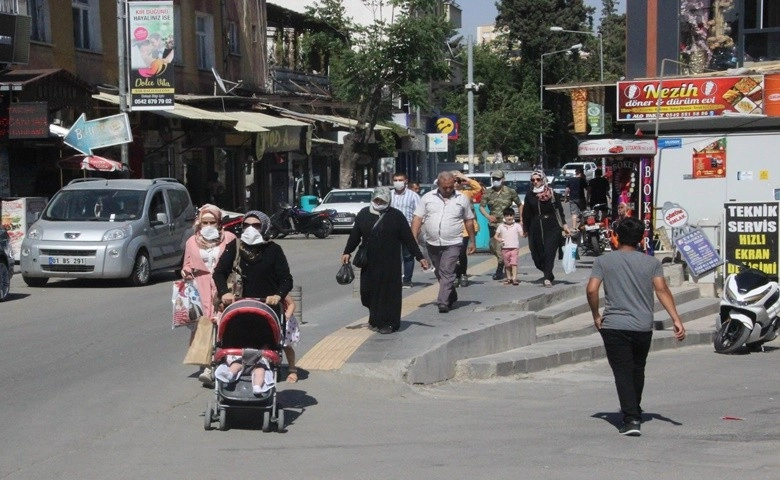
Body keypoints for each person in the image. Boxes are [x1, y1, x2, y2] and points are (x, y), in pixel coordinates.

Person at [586, 217, 686, 436]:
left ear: (617, 237)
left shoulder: (604, 262)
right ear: (641, 239)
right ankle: (634, 408)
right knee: (637, 369)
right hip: (642, 325)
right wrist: (676, 318)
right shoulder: (651, 263)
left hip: (613, 324)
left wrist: (596, 314)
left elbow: (592, 290)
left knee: (622, 371)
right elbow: (661, 290)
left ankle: (631, 419)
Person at [342, 188, 428, 334]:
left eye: (382, 201)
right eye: (376, 200)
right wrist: (347, 251)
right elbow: (355, 234)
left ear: (388, 201)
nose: (379, 203)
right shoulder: (364, 214)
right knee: (367, 293)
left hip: (390, 263)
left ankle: (389, 323)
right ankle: (375, 319)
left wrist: (420, 257)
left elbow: (408, 239)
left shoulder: (396, 216)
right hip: (369, 262)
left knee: (388, 294)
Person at [181, 204, 236, 385]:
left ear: (219, 223)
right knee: (205, 323)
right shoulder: (192, 242)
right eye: (205, 222)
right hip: (201, 286)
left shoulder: (228, 238)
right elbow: (187, 264)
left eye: (212, 222)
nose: (209, 226)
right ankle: (207, 365)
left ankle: (223, 362)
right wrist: (186, 271)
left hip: (223, 285)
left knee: (222, 321)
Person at [412, 171, 476, 313]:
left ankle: (443, 302)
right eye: (445, 187)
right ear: (438, 185)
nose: (448, 190)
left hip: (453, 242)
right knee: (439, 272)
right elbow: (417, 218)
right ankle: (450, 294)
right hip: (432, 243)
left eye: (450, 187)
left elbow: (469, 220)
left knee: (447, 271)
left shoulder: (462, 199)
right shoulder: (428, 198)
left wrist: (472, 240)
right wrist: (413, 237)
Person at [213, 210, 293, 320]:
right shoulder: (234, 247)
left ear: (264, 227)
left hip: (268, 310)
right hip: (238, 309)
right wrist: (224, 293)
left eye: (256, 225)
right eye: (246, 225)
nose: (250, 229)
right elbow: (219, 273)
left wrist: (277, 296)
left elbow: (286, 279)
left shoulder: (273, 249)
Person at [521, 171, 571, 287]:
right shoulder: (530, 195)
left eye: (538, 179)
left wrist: (564, 225)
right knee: (536, 255)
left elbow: (559, 210)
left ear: (543, 179)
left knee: (549, 252)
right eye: (533, 180)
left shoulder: (552, 193)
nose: (535, 182)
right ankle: (547, 272)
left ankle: (547, 277)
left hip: (552, 226)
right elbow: (526, 213)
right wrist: (525, 228)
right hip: (535, 226)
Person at [479, 170, 521, 281]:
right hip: (493, 224)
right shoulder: (488, 192)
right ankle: (503, 263)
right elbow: (481, 207)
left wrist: (521, 220)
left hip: (506, 225)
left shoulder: (510, 192)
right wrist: (488, 216)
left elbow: (520, 205)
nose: (496, 181)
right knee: (493, 246)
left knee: (503, 247)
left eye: (498, 179)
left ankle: (502, 267)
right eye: (494, 179)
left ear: (503, 179)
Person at [390, 172, 421, 288]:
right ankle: (395, 279)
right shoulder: (389, 195)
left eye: (400, 180)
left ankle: (407, 280)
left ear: (406, 181)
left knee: (408, 255)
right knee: (393, 257)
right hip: (391, 230)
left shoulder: (413, 196)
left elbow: (419, 214)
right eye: (396, 180)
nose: (398, 182)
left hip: (408, 229)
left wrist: (416, 232)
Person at [454, 171, 483, 287]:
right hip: (451, 228)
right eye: (454, 181)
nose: (456, 184)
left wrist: (464, 177)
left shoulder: (465, 193)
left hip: (465, 228)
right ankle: (455, 275)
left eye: (458, 181)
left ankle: (463, 274)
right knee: (453, 254)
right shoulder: (446, 194)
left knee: (461, 253)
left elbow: (478, 188)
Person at [494, 207, 523, 285]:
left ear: (513, 216)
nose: (509, 217)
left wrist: (525, 232)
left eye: (511, 215)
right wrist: (499, 239)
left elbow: (522, 234)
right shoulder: (501, 226)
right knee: (507, 264)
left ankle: (514, 278)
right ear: (504, 217)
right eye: (507, 216)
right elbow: (495, 236)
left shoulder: (517, 226)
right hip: (505, 248)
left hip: (514, 248)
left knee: (514, 263)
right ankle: (509, 278)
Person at [281, 294, 301, 383]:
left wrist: (287, 315)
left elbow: (291, 304)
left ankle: (292, 369)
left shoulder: (278, 289)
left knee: (287, 346)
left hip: (284, 320)